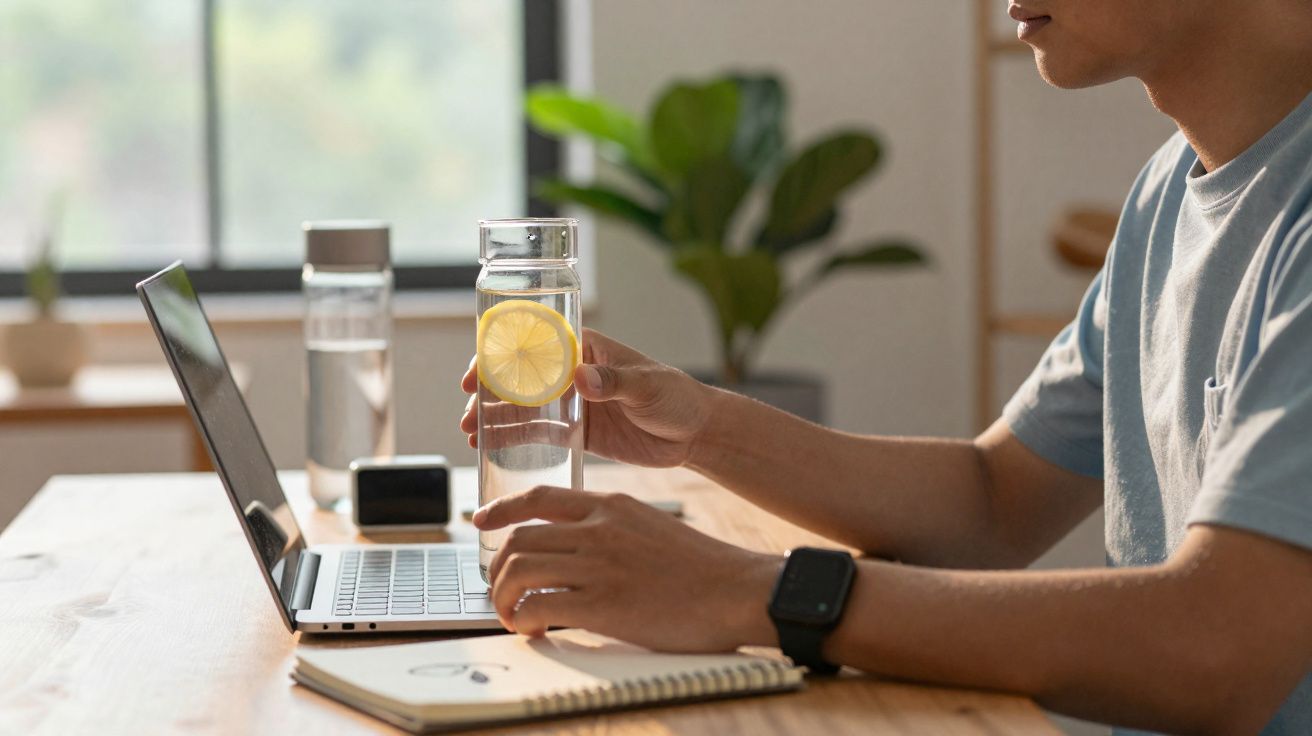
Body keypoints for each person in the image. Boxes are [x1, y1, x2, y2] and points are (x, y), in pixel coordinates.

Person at [459, 1, 1312, 732]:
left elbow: (1218, 649)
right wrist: (702, 426)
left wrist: (752, 592)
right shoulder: (1168, 194)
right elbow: (992, 503)